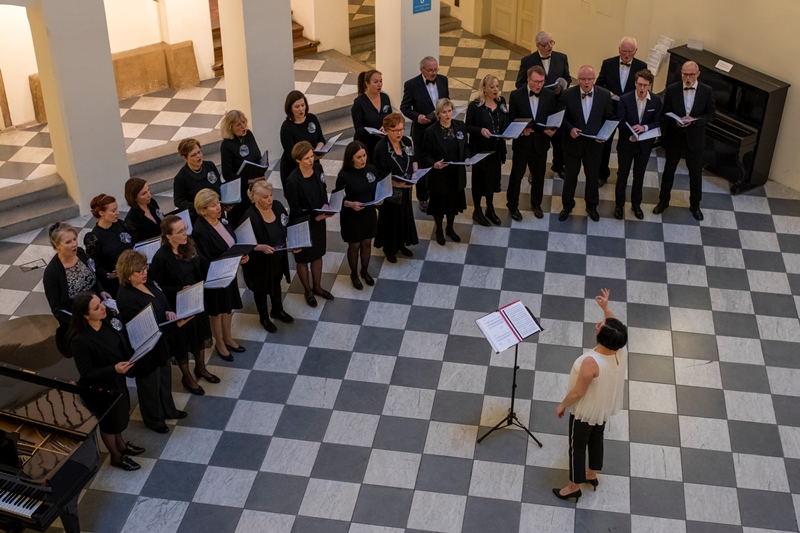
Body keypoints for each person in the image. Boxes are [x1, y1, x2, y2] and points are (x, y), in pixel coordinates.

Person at [554, 288, 627, 503]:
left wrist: (562, 405)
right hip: (602, 408)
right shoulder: (620, 349)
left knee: (577, 447)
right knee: (596, 439)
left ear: (601, 337)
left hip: (585, 412)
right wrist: (606, 308)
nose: (598, 324)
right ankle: (592, 474)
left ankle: (573, 487)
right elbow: (615, 328)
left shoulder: (591, 362)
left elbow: (578, 392)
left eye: (600, 325)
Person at [67, 292, 144, 471]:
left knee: (119, 416)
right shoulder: (80, 340)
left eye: (101, 303)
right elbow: (86, 373)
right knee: (109, 423)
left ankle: (121, 445)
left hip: (117, 382)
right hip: (101, 389)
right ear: (86, 316)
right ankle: (116, 456)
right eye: (97, 308)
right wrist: (114, 369)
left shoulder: (108, 319)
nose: (103, 307)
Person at [116, 250, 187, 434]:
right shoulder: (126, 298)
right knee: (150, 384)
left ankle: (168, 409)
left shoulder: (147, 282)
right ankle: (154, 420)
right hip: (145, 347)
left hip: (160, 341)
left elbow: (162, 300)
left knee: (164, 376)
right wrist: (175, 326)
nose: (144, 273)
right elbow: (145, 329)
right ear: (128, 274)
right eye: (139, 271)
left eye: (145, 268)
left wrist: (169, 311)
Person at [150, 215, 219, 394]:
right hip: (177, 305)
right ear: (169, 236)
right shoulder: (161, 257)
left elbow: (201, 263)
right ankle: (187, 377)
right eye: (180, 231)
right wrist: (180, 289)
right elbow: (158, 287)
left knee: (200, 334)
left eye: (185, 228)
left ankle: (201, 368)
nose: (185, 233)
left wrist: (217, 268)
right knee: (182, 342)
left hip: (196, 299)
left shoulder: (189, 244)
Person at [655, 60, 716, 221]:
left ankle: (695, 205)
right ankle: (663, 201)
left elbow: (711, 115)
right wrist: (675, 121)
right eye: (684, 74)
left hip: (694, 138)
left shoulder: (706, 91)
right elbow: (665, 111)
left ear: (698, 74)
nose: (687, 78)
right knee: (669, 171)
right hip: (675, 137)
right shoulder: (672, 89)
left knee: (695, 174)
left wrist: (694, 121)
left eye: (691, 75)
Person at [191, 189, 248, 360]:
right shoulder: (200, 230)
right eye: (213, 205)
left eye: (218, 203)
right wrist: (230, 261)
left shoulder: (222, 219)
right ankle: (220, 343)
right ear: (203, 210)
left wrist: (240, 256)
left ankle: (228, 338)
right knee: (217, 312)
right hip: (215, 277)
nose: (218, 208)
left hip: (229, 273)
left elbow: (231, 240)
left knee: (228, 308)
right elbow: (204, 260)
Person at [43, 222, 111, 355]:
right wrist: (82, 320)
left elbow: (92, 276)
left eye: (74, 239)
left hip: (98, 309)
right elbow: (57, 309)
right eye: (68, 242)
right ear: (57, 246)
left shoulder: (80, 252)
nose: (74, 244)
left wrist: (101, 290)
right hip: (79, 324)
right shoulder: (52, 273)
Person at [559, 65, 615, 222]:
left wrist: (604, 135)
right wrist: (570, 129)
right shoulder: (567, 94)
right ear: (578, 79)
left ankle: (591, 206)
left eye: (590, 79)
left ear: (594, 79)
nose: (586, 82)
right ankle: (567, 206)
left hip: (594, 145)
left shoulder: (604, 95)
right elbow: (560, 118)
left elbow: (610, 118)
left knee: (592, 177)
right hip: (573, 144)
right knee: (570, 177)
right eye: (583, 79)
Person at [284, 141, 335, 307]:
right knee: (303, 259)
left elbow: (323, 188)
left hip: (319, 220)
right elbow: (295, 209)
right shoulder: (292, 180)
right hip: (302, 223)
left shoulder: (318, 169)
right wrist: (315, 218)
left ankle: (317, 286)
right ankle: (308, 290)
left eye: (312, 156)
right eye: (307, 158)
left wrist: (326, 206)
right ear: (298, 160)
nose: (311, 160)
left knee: (317, 254)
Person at [516, 31, 571, 178]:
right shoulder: (527, 61)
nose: (549, 46)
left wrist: (561, 87)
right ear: (537, 46)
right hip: (537, 106)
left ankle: (558, 165)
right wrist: (536, 88)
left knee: (559, 139)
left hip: (556, 106)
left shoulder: (562, 57)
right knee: (536, 141)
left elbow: (567, 78)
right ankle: (534, 170)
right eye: (545, 44)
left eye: (551, 43)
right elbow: (519, 84)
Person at [507, 66, 559, 220]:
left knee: (538, 175)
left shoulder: (549, 95)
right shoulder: (516, 95)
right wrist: (521, 130)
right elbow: (511, 119)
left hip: (540, 143)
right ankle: (512, 205)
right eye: (536, 81)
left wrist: (552, 129)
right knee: (517, 175)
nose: (539, 85)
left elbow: (552, 116)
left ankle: (536, 204)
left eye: (542, 81)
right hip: (522, 143)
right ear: (528, 80)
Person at [241, 182, 294, 332]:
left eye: (271, 195)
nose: (270, 199)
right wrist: (260, 247)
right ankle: (264, 317)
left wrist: (294, 242)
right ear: (255, 198)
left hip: (277, 258)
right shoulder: (249, 217)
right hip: (259, 264)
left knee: (276, 283)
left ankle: (277, 309)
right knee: (261, 290)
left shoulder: (277, 206)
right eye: (265, 197)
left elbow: (287, 225)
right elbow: (243, 243)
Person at [400, 56, 450, 213]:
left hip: (440, 128)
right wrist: (417, 117)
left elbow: (446, 101)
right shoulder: (411, 84)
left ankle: (438, 191)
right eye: (430, 70)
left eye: (436, 69)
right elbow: (405, 107)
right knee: (422, 163)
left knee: (439, 159)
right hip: (422, 131)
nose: (434, 73)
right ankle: (422, 197)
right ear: (422, 70)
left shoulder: (443, 80)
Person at [596, 37, 648, 186]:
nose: (626, 54)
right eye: (624, 51)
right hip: (610, 109)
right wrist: (608, 93)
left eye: (630, 52)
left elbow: (643, 88)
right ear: (619, 50)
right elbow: (599, 85)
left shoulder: (641, 66)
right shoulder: (608, 63)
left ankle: (622, 173)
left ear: (635, 51)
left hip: (630, 111)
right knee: (605, 142)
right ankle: (602, 173)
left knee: (626, 144)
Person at [615, 69, 663, 220]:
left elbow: (658, 122)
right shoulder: (625, 99)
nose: (642, 88)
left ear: (650, 85)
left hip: (644, 146)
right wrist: (631, 134)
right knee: (622, 175)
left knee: (639, 175)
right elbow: (620, 121)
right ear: (635, 83)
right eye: (639, 84)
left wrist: (645, 128)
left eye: (645, 85)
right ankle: (619, 205)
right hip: (627, 143)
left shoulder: (655, 101)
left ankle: (636, 205)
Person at [421, 98, 470, 246]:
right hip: (439, 175)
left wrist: (467, 157)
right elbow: (425, 155)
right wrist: (434, 164)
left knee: (453, 204)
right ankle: (439, 230)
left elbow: (466, 146)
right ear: (438, 114)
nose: (448, 115)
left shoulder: (460, 126)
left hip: (456, 173)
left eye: (450, 111)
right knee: (439, 205)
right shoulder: (431, 131)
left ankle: (450, 228)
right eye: (444, 112)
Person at [372, 113, 418, 263]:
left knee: (404, 217)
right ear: (386, 130)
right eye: (395, 130)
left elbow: (413, 159)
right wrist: (397, 184)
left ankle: (401, 244)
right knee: (390, 220)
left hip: (406, 190)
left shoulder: (407, 142)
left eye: (401, 129)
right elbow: (379, 174)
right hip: (390, 193)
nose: (399, 133)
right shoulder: (381, 148)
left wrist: (415, 172)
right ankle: (389, 249)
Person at [337, 141, 382, 290]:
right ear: (351, 158)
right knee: (354, 246)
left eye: (364, 155)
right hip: (352, 216)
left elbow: (376, 188)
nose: (363, 159)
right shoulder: (344, 175)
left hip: (368, 212)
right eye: (359, 157)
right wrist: (350, 204)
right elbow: (337, 199)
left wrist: (379, 198)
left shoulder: (371, 169)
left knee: (367, 243)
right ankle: (354, 274)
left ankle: (365, 270)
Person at [465, 74, 508, 226]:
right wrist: (480, 130)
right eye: (492, 87)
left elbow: (505, 120)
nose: (496, 89)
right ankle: (477, 210)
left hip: (496, 148)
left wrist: (507, 133)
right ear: (484, 89)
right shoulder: (475, 106)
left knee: (493, 179)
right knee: (479, 180)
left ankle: (490, 207)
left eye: (497, 86)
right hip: (481, 149)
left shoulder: (501, 102)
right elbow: (467, 126)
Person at [219, 110, 265, 228]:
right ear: (230, 127)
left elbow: (256, 155)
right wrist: (249, 181)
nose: (243, 126)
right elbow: (227, 174)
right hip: (240, 191)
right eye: (239, 125)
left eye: (244, 122)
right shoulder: (226, 145)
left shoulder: (249, 135)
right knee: (244, 224)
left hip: (255, 187)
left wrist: (262, 167)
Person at [84, 194, 133, 298]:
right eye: (113, 211)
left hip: (131, 273)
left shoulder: (120, 224)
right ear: (101, 213)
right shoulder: (94, 238)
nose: (117, 213)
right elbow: (93, 266)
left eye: (117, 209)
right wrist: (108, 274)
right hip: (115, 284)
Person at [279, 91, 326, 189]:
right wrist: (310, 157)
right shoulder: (286, 127)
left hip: (313, 164)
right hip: (294, 168)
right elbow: (290, 154)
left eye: (302, 105)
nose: (301, 109)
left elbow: (321, 139)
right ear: (290, 108)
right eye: (297, 107)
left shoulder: (312, 118)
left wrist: (317, 151)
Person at [173, 138, 222, 221]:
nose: (198, 156)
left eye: (199, 152)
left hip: (217, 211)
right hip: (200, 217)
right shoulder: (181, 178)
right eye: (193, 155)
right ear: (185, 158)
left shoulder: (210, 165)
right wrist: (198, 206)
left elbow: (219, 185)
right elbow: (179, 201)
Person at [351, 69, 392, 164]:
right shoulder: (359, 102)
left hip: (383, 143)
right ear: (367, 84)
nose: (379, 85)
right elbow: (358, 128)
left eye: (381, 81)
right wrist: (373, 132)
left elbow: (390, 118)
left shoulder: (385, 98)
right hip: (367, 144)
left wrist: (386, 126)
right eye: (375, 82)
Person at [123, 178, 164, 243]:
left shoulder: (152, 203)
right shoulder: (132, 219)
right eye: (144, 194)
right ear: (134, 198)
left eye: (148, 190)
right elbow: (136, 243)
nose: (149, 195)